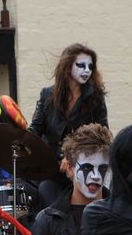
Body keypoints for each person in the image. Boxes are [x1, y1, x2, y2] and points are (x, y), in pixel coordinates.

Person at [29, 44, 108, 206]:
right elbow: (35, 129)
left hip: (83, 170)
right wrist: (20, 141)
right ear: (67, 66)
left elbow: (102, 134)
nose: (87, 70)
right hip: (52, 169)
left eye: (90, 66)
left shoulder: (96, 98)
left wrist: (72, 154)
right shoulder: (47, 94)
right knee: (45, 194)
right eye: (81, 65)